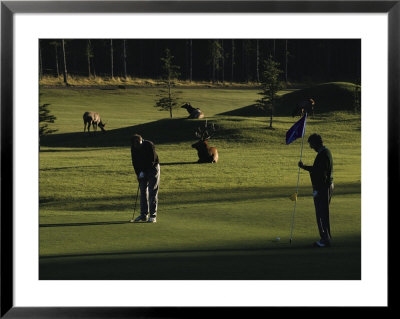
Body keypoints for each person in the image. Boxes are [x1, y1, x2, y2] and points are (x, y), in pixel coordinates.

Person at [298, 133, 333, 247]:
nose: (311, 147)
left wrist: (305, 168)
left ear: (317, 143)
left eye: (311, 144)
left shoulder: (324, 154)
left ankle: (325, 239)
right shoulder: (324, 153)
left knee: (321, 213)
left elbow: (319, 172)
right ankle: (325, 237)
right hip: (325, 186)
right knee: (322, 213)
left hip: (323, 187)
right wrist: (305, 167)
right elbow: (318, 170)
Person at [131, 134, 160, 223]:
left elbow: (152, 160)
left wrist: (143, 171)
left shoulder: (149, 145)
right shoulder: (133, 147)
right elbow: (135, 162)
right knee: (143, 191)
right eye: (135, 145)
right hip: (142, 171)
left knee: (152, 191)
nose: (137, 147)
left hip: (153, 169)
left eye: (138, 144)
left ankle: (153, 216)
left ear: (141, 141)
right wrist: (139, 173)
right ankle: (143, 215)